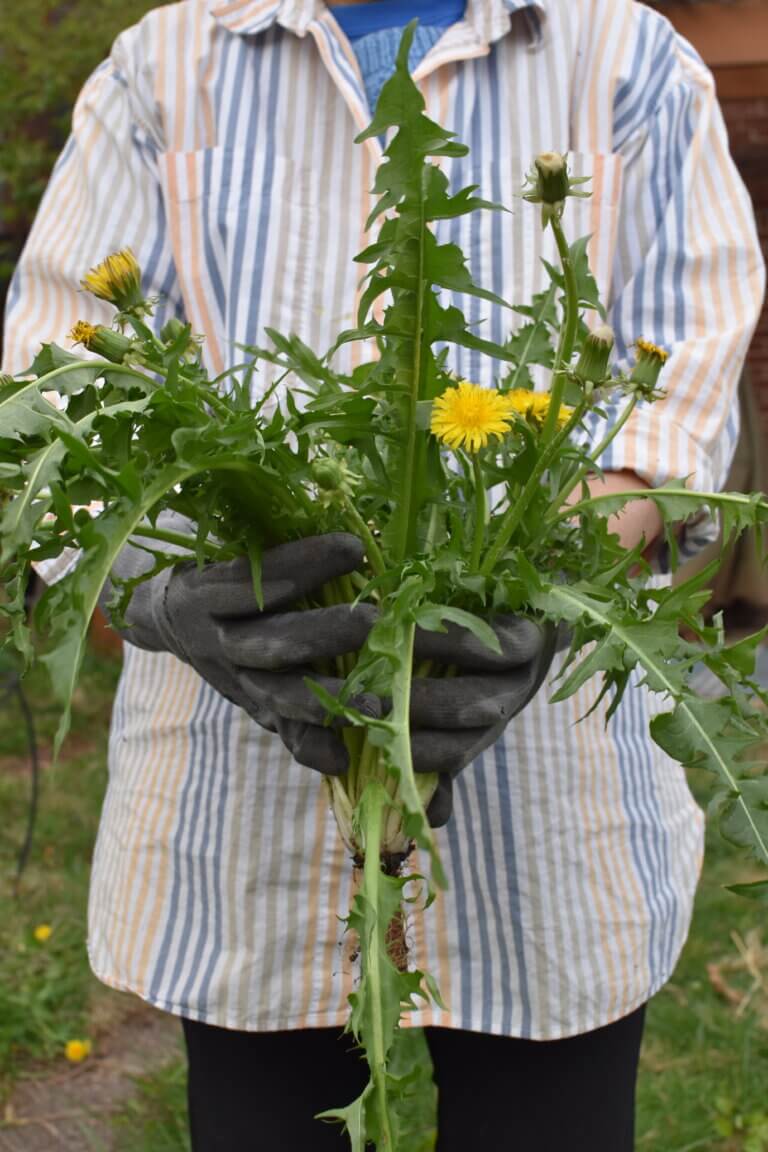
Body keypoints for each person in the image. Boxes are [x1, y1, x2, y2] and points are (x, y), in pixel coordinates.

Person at [3, 0, 764, 1148]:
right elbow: (54, 391)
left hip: (551, 815)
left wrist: (526, 579)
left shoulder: (630, 58)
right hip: (243, 815)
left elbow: (676, 403)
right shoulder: (161, 67)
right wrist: (162, 591)